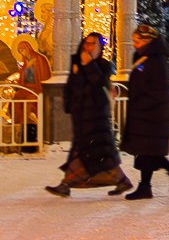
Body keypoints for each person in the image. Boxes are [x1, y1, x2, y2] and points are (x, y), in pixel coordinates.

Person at [45, 32, 125, 196]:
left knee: (90, 151)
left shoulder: (103, 65)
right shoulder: (76, 63)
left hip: (96, 116)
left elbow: (99, 83)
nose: (88, 47)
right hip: (81, 115)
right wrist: (68, 104)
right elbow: (71, 86)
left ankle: (66, 184)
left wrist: (89, 64)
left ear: (100, 47)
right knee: (90, 151)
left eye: (92, 44)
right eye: (86, 43)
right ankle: (120, 180)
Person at [115, 23, 169, 200]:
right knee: (146, 151)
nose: (135, 44)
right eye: (134, 40)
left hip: (153, 114)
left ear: (148, 41)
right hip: (147, 113)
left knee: (147, 151)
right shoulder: (145, 58)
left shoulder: (155, 60)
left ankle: (165, 176)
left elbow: (158, 90)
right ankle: (152, 183)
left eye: (138, 40)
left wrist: (141, 103)